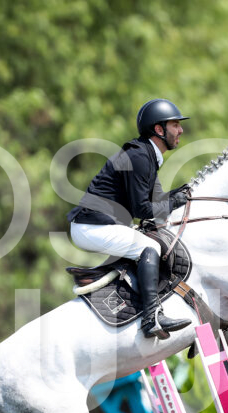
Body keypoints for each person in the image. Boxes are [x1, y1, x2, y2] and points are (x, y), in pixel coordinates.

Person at [67, 99, 193, 339]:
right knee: (149, 247)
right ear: (159, 129)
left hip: (97, 225)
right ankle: (151, 317)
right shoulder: (139, 156)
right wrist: (174, 201)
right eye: (175, 125)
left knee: (149, 241)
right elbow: (143, 210)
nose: (181, 130)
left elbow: (156, 200)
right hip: (90, 227)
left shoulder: (147, 154)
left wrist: (182, 194)